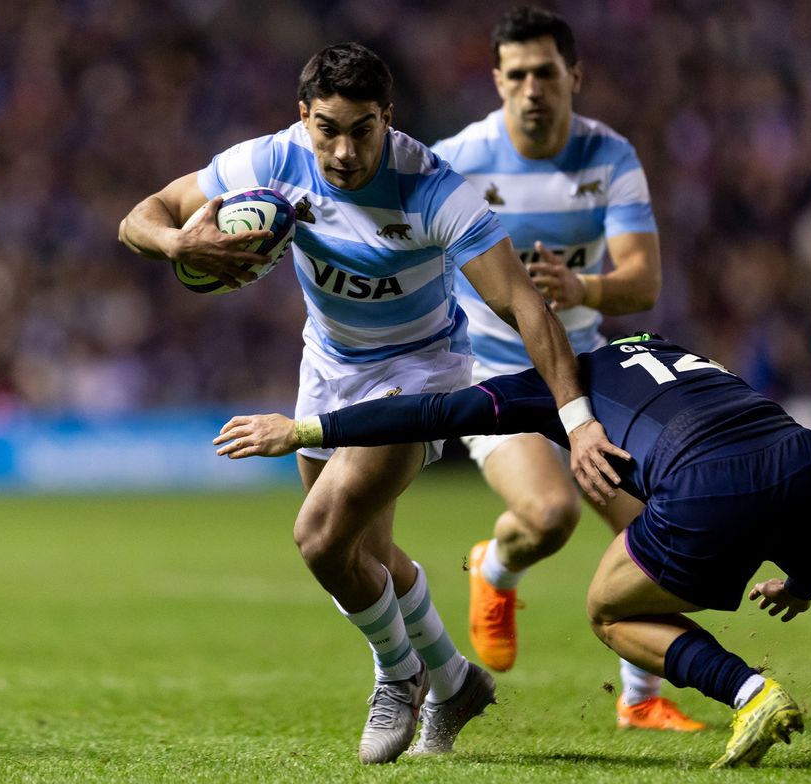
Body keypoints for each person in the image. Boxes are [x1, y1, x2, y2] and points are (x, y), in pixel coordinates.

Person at [213, 333, 811, 768]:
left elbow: (434, 412)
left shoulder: (567, 379)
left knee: (606, 607)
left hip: (708, 486)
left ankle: (749, 691)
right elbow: (754, 449)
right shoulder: (675, 349)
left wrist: (307, 425)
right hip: (794, 457)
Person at [118, 42, 626, 765]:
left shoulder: (431, 188)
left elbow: (523, 305)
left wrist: (576, 421)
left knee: (321, 537)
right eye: (329, 128)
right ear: (304, 118)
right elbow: (142, 215)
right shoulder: (271, 161)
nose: (346, 149)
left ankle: (400, 674)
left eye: (364, 128)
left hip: (422, 373)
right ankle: (454, 681)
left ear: (388, 118)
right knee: (366, 553)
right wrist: (178, 240)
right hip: (327, 364)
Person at [430, 6, 692, 731]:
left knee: (652, 529)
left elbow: (642, 282)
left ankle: (640, 701)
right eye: (516, 75)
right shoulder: (458, 158)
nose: (532, 88)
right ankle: (495, 569)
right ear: (497, 81)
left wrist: (586, 289)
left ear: (574, 75)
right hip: (494, 374)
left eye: (546, 72)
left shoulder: (610, 156)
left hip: (586, 370)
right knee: (550, 515)